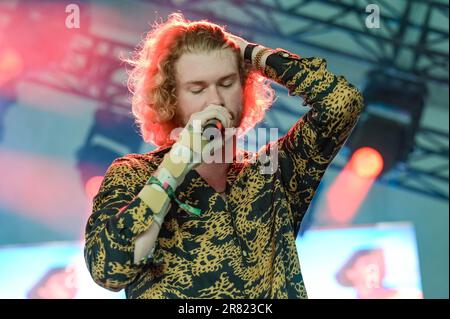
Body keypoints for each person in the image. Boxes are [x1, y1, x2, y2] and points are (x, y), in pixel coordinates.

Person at [84, 13, 364, 299]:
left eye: (227, 83)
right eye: (197, 88)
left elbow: (341, 103)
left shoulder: (272, 171)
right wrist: (177, 162)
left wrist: (251, 54)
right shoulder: (134, 174)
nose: (215, 100)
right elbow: (108, 270)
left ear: (244, 88)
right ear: (171, 97)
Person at [335, 248, 423, 299]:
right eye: (368, 263)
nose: (376, 267)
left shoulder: (411, 295)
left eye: (379, 262)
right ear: (350, 273)